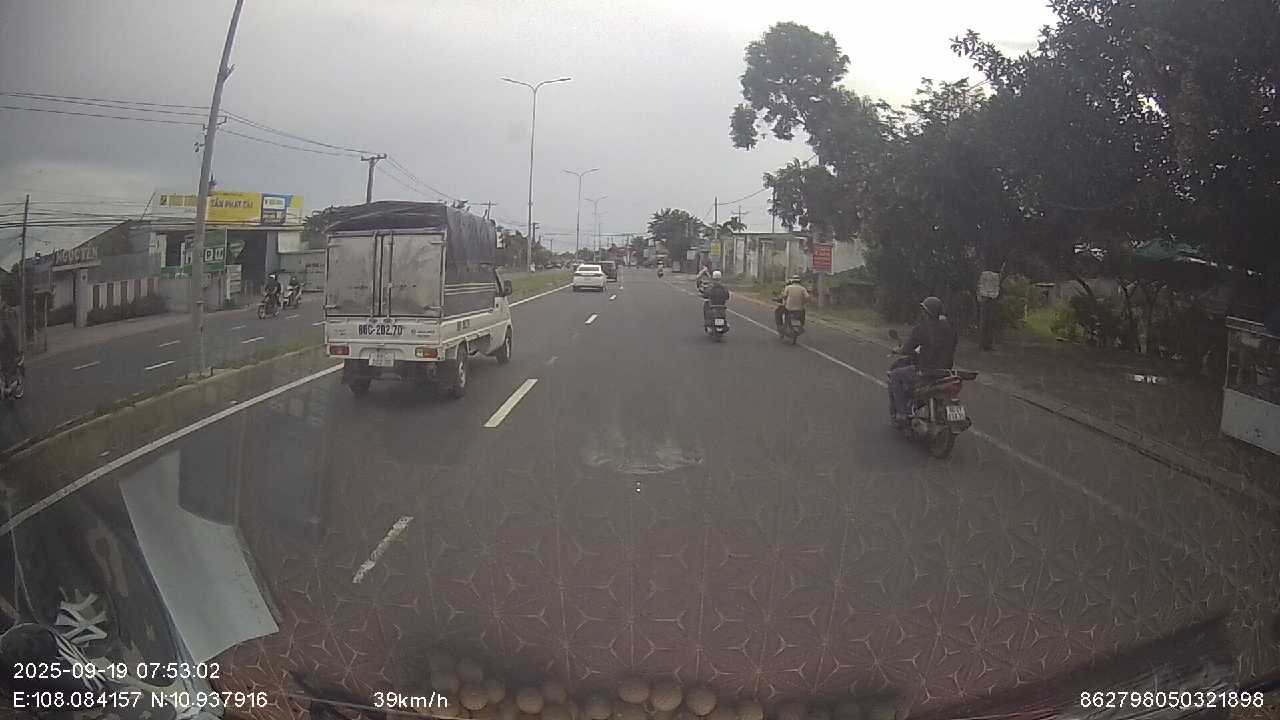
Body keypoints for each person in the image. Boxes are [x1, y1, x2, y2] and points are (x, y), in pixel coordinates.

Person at [888, 296, 959, 423]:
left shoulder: (922, 328)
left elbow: (907, 349)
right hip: (945, 373)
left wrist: (897, 350)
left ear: (926, 312)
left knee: (895, 375)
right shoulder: (950, 328)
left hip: (926, 372)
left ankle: (902, 413)